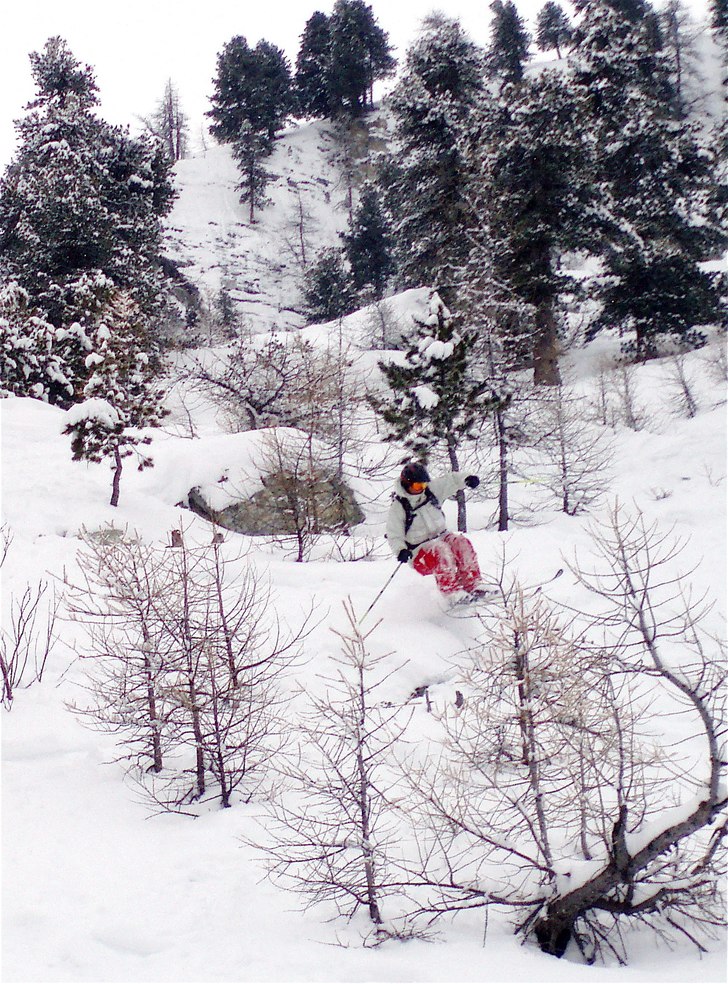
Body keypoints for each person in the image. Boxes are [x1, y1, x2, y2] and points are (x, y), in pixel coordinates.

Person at [386, 461, 484, 599]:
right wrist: (401, 550)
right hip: (418, 552)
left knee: (461, 542)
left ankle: (473, 585)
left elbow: (451, 481)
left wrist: (466, 479)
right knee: (440, 551)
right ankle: (452, 594)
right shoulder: (399, 507)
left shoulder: (431, 492)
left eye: (424, 484)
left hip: (442, 536)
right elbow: (394, 534)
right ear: (407, 484)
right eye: (417, 485)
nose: (421, 488)